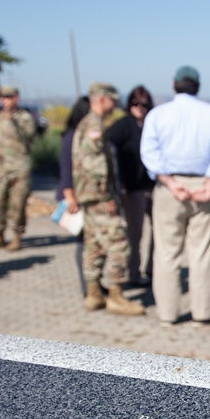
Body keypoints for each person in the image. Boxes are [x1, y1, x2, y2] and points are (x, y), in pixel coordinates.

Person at [140, 65, 210, 327]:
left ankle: (168, 313)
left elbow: (149, 152)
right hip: (204, 185)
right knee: (202, 253)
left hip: (170, 188)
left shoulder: (158, 114)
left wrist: (169, 182)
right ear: (198, 86)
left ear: (174, 84)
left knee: (167, 253)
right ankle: (202, 313)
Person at [72, 82, 145, 316]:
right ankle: (115, 295)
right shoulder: (94, 124)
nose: (115, 105)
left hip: (89, 196)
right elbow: (96, 165)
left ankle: (94, 294)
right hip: (99, 197)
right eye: (113, 100)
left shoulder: (86, 123)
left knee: (93, 244)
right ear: (102, 99)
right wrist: (105, 195)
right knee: (120, 243)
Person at [0, 86, 37, 252]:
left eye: (10, 97)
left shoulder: (25, 118)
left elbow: (30, 138)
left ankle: (17, 237)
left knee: (17, 205)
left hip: (20, 169)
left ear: (16, 99)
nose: (6, 101)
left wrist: (15, 124)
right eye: (3, 98)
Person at [107, 86, 155, 287]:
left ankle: (153, 269)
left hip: (154, 186)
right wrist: (119, 186)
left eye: (144, 104)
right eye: (136, 103)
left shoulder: (153, 124)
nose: (140, 108)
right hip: (133, 189)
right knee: (135, 233)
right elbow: (109, 150)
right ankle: (133, 273)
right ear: (129, 104)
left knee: (160, 232)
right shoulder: (122, 126)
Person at [58, 96, 91, 296]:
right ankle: (87, 287)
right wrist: (69, 194)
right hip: (76, 198)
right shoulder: (71, 137)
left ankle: (94, 283)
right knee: (83, 242)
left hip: (87, 196)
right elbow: (66, 168)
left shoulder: (87, 136)